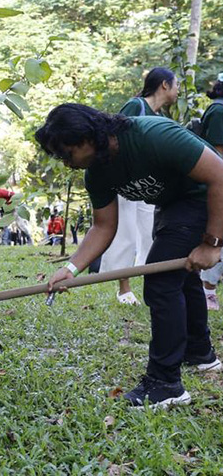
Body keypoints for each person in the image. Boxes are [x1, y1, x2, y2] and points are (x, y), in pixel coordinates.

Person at [37, 103, 222, 408]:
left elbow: (219, 175)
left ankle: (165, 383)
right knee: (180, 277)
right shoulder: (97, 173)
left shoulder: (153, 135)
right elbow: (103, 226)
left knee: (160, 280)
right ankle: (200, 353)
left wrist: (213, 243)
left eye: (66, 153)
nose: (65, 163)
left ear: (86, 138)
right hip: (173, 205)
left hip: (206, 197)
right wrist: (71, 268)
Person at [101, 67, 179, 305]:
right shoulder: (136, 106)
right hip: (127, 181)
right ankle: (123, 288)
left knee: (149, 234)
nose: (178, 91)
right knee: (126, 233)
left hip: (151, 187)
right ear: (164, 85)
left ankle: (147, 285)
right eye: (176, 85)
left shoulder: (163, 119)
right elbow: (114, 138)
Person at [199, 74, 223, 310]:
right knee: (218, 237)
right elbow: (217, 156)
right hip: (216, 182)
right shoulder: (218, 111)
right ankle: (207, 290)